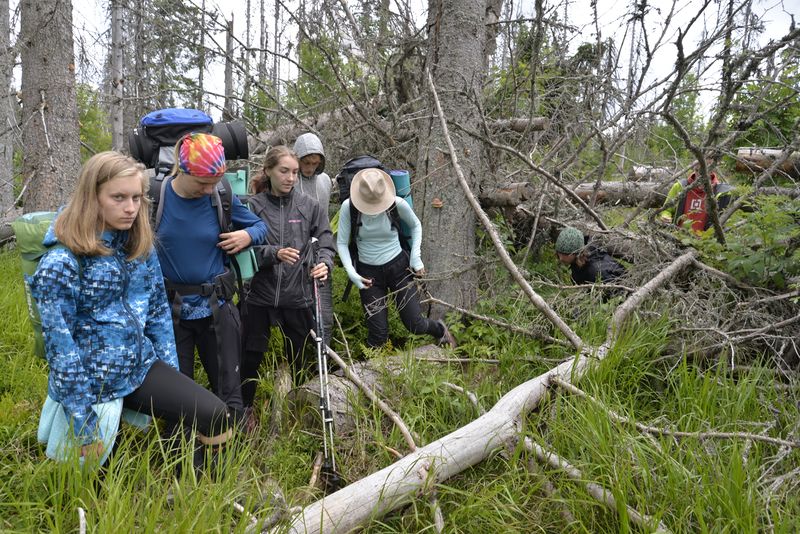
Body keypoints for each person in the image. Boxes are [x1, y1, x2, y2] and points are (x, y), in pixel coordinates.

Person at [30, 151, 232, 466]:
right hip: (91, 382)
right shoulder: (61, 262)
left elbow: (158, 316)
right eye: (119, 197)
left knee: (216, 414)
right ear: (92, 198)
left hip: (139, 366)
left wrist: (173, 378)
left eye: (137, 198)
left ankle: (196, 490)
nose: (130, 208)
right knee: (95, 483)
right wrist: (84, 425)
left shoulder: (139, 247)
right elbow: (61, 350)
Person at [154, 133, 267, 425]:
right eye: (202, 183)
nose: (208, 190)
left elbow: (259, 227)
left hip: (217, 307)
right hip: (170, 312)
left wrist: (246, 235)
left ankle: (234, 451)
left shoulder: (221, 195)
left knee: (230, 387)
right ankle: (179, 455)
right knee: (177, 392)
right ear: (183, 170)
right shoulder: (157, 196)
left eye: (214, 182)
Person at [240, 145, 335, 395]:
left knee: (300, 358)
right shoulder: (253, 206)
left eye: (294, 172)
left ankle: (299, 405)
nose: (290, 178)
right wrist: (274, 253)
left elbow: (325, 240)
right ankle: (246, 409)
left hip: (297, 296)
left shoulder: (309, 205)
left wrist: (324, 263)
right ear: (268, 170)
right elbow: (243, 250)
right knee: (250, 356)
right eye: (284, 171)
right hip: (259, 295)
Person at [336, 168, 456, 349]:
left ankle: (440, 330)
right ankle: (374, 373)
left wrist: (416, 257)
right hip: (368, 276)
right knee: (378, 335)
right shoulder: (349, 207)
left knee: (415, 325)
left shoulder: (396, 204)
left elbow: (416, 226)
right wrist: (352, 274)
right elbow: (342, 243)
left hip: (399, 269)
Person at [293, 132, 335, 347]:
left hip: (320, 250)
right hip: (294, 251)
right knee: (298, 314)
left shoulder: (325, 181)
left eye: (315, 163)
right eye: (306, 162)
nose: (310, 168)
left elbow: (325, 219)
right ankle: (300, 363)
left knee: (324, 313)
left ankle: (324, 358)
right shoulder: (290, 181)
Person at [658, 162, 734, 233]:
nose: (700, 174)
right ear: (694, 166)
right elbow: (666, 209)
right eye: (697, 170)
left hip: (706, 243)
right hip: (678, 240)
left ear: (712, 169)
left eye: (705, 170)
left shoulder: (723, 192)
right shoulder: (680, 186)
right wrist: (665, 216)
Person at [555, 226, 625, 286]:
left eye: (566, 254)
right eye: (559, 252)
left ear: (578, 253)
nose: (561, 258)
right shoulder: (581, 258)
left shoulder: (596, 273)